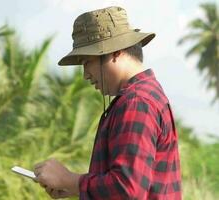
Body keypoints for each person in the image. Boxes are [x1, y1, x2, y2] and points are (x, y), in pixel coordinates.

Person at [34, 6, 182, 200]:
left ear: (115, 52)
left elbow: (128, 189)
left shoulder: (136, 102)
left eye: (87, 62)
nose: (85, 74)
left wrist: (69, 180)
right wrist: (74, 188)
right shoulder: (144, 95)